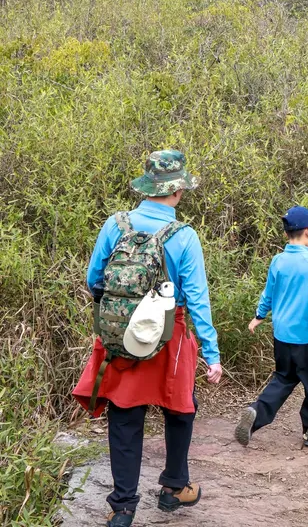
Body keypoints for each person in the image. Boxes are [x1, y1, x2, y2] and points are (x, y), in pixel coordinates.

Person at [73, 151, 222, 527]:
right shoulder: (185, 237)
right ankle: (174, 489)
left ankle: (123, 507)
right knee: (180, 406)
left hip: (121, 336)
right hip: (170, 334)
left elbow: (94, 281)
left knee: (125, 414)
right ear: (178, 192)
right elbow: (199, 300)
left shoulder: (115, 225)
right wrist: (212, 352)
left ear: (146, 187)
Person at [234, 206, 308, 448]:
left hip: (282, 337)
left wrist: (259, 316)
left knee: (283, 379)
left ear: (287, 234)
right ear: (307, 232)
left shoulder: (278, 261)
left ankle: (256, 412)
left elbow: (269, 294)